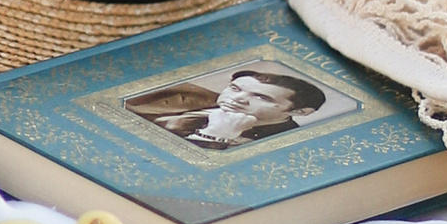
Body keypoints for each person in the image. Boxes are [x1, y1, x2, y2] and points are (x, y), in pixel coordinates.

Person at [120, 64, 342, 150]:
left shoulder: (280, 146)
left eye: (262, 98)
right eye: (235, 89)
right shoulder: (186, 94)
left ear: (299, 112)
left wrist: (216, 136)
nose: (238, 99)